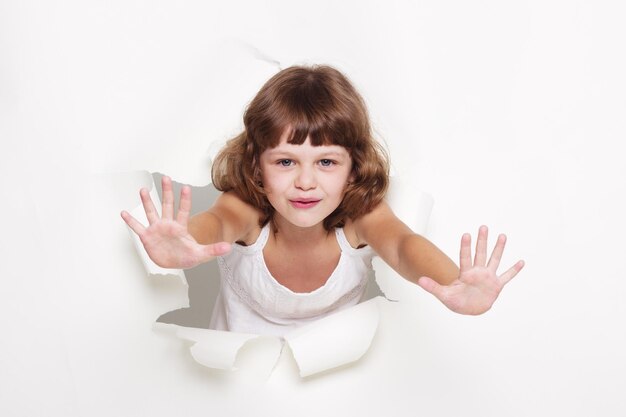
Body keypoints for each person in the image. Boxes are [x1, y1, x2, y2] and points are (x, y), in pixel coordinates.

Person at [120, 65, 524, 337]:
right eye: (285, 161)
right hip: (243, 393)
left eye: (326, 161)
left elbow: (402, 245)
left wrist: (454, 280)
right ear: (257, 166)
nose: (305, 182)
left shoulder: (361, 219)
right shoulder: (246, 211)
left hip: (332, 393)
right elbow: (215, 224)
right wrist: (184, 242)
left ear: (353, 169)